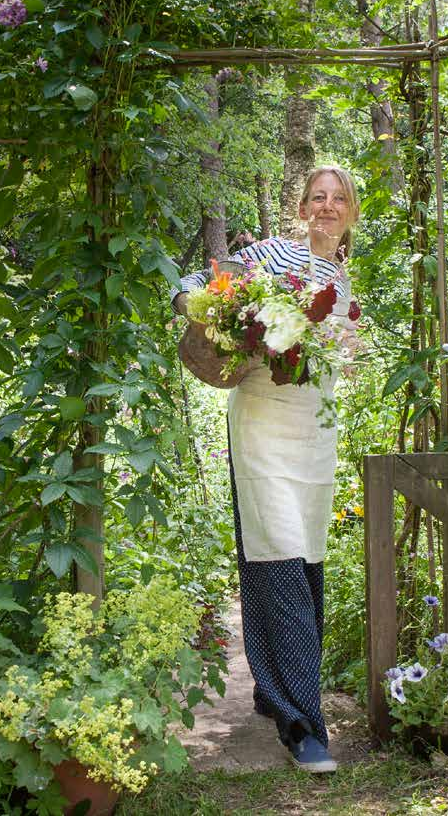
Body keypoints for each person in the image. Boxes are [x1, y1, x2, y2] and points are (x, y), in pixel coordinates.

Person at [173, 165, 360, 773]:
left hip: (315, 432)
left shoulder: (344, 273)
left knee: (297, 558)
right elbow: (198, 281)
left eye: (338, 199)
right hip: (261, 420)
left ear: (350, 210)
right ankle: (303, 724)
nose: (327, 207)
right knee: (276, 549)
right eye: (317, 197)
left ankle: (268, 686)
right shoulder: (274, 253)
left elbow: (340, 351)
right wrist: (202, 309)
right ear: (302, 206)